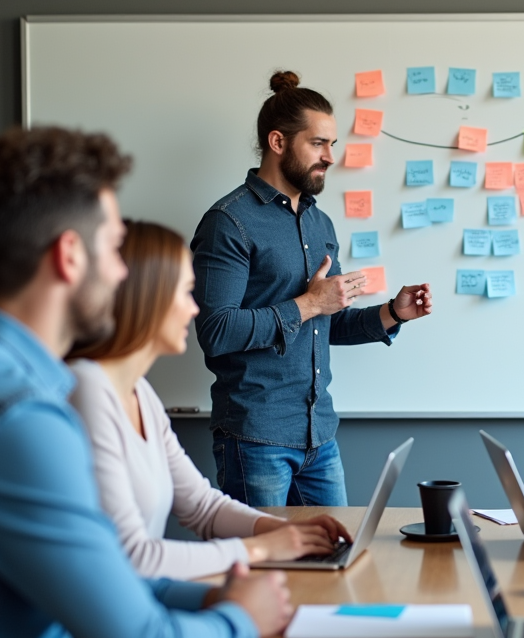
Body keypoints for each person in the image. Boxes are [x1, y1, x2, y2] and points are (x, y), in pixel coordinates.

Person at [0, 127, 292, 638]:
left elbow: (106, 581)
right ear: (70, 255)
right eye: (113, 249)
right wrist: (240, 619)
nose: (121, 273)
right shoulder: (17, 418)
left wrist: (213, 597)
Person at [192, 70, 433, 507]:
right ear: (278, 142)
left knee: (336, 565)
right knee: (264, 567)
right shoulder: (229, 222)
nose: (330, 157)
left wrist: (391, 313)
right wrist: (306, 304)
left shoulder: (319, 223)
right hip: (255, 437)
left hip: (320, 437)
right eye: (318, 144)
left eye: (333, 145)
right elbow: (217, 331)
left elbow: (328, 322)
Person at [69, 220, 353, 580]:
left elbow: (203, 508)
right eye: (185, 292)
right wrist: (262, 548)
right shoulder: (86, 390)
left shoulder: (140, 394)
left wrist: (282, 531)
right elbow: (132, 560)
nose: (193, 310)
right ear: (146, 295)